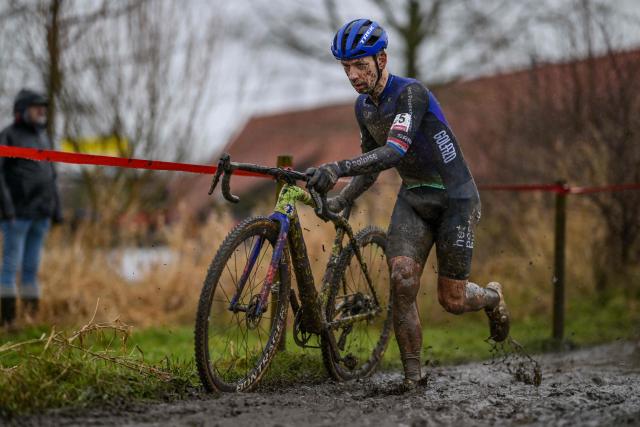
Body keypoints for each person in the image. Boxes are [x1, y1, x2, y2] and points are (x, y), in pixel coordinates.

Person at [306, 19, 510, 387]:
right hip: (415, 197)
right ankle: (413, 378)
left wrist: (338, 167)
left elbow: (394, 150)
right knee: (402, 282)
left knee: (453, 299)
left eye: (360, 65)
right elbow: (370, 169)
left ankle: (493, 297)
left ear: (382, 58)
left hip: (455, 199)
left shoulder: (410, 94)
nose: (352, 75)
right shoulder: (363, 108)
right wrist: (343, 198)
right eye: (346, 67)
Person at [0, 89, 62, 329]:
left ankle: (30, 318)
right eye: (37, 107)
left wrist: (56, 209)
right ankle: (7, 320)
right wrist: (7, 208)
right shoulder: (8, 135)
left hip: (41, 215)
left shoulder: (43, 138)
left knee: (31, 267)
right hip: (16, 215)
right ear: (22, 110)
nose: (42, 112)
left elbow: (51, 175)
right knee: (10, 265)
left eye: (43, 108)